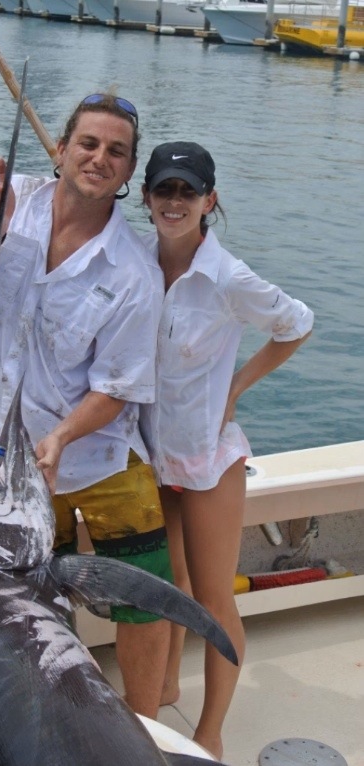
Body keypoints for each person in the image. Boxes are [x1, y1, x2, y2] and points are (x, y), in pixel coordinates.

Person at [0, 94, 173, 720]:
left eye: (116, 151)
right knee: (30, 600)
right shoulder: (9, 204)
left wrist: (61, 438)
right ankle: (49, 716)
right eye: (87, 144)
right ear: (61, 149)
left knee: (143, 597)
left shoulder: (135, 272)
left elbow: (116, 387)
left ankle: (146, 727)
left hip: (100, 454)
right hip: (6, 463)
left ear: (128, 172)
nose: (99, 158)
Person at [140, 141, 314, 757]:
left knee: (213, 597)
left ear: (210, 200)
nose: (175, 201)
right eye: (164, 189)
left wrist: (237, 387)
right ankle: (163, 683)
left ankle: (210, 732)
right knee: (167, 579)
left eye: (189, 191)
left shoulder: (228, 277)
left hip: (208, 459)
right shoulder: (133, 259)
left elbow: (297, 323)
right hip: (148, 454)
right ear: (146, 198)